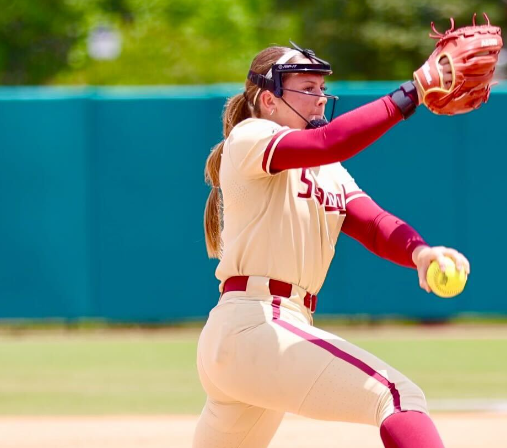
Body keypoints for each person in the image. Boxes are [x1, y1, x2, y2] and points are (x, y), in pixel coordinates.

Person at [194, 43, 471, 448]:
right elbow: (329, 141)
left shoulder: (327, 170)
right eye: (307, 87)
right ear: (268, 100)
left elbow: (374, 224)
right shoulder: (251, 135)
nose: (320, 97)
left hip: (256, 339)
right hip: (257, 324)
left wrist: (420, 253)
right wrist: (411, 92)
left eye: (322, 87)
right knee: (398, 397)